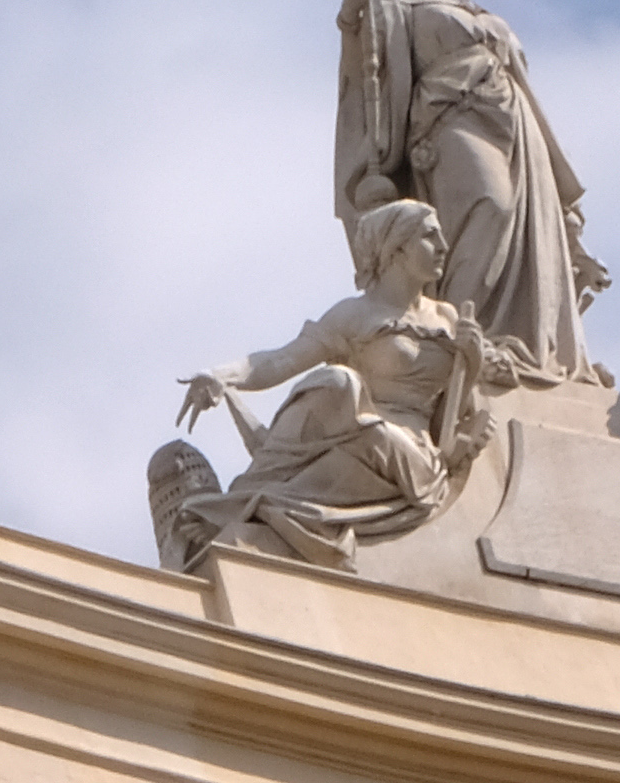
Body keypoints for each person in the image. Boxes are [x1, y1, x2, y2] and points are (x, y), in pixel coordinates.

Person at [334, 0, 607, 382]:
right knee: (492, 205)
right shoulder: (394, 7)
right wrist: (350, 19)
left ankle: (513, 341)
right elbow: (366, 80)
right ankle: (457, 331)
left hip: (515, 126)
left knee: (530, 234)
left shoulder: (481, 13)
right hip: (449, 121)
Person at [160, 197, 493, 573]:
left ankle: (253, 502)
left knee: (378, 435)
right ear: (397, 247)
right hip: (356, 428)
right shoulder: (354, 315)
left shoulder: (447, 317)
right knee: (339, 383)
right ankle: (261, 483)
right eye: (430, 237)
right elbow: (281, 361)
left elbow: (454, 412)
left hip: (415, 455)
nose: (444, 247)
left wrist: (474, 360)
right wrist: (222, 375)